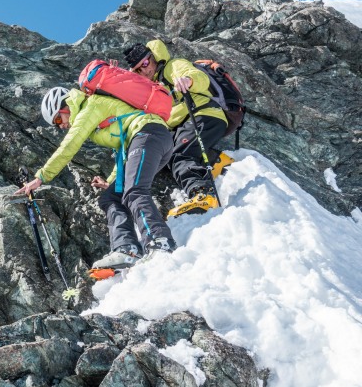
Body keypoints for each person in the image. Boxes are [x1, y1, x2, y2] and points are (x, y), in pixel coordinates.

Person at [15, 86, 176, 271]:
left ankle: (160, 241)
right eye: (56, 124)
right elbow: (123, 148)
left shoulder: (90, 106)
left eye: (58, 119)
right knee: (111, 196)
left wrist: (41, 177)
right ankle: (126, 248)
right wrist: (112, 180)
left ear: (65, 106)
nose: (61, 125)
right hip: (147, 140)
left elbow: (69, 146)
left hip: (150, 135)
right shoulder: (92, 111)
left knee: (134, 191)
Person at [124, 40, 231, 217]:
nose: (145, 70)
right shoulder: (154, 87)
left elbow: (199, 77)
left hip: (203, 115)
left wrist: (188, 80)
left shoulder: (172, 66)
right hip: (191, 122)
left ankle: (202, 193)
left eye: (145, 63)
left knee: (179, 154)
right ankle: (217, 161)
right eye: (138, 69)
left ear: (153, 57)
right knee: (166, 153)